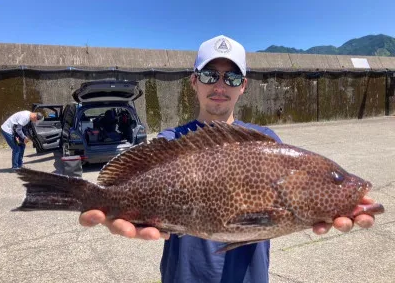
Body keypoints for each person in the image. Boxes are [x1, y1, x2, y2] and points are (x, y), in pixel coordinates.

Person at [79, 35, 377, 282]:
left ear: (243, 85)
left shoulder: (268, 141)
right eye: (210, 75)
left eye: (232, 77)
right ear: (194, 81)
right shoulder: (172, 141)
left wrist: (335, 204)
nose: (220, 86)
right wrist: (111, 206)